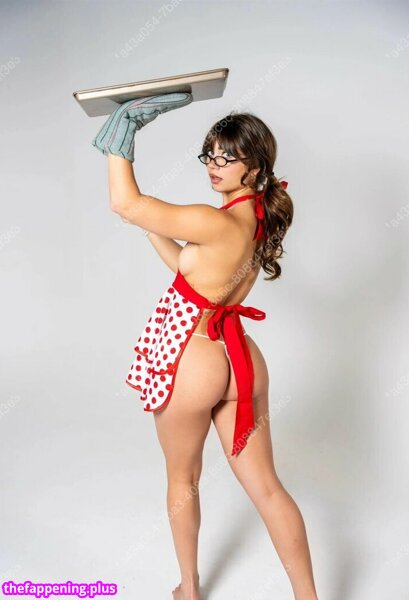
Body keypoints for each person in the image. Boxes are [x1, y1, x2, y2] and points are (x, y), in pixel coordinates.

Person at [92, 94, 319, 600]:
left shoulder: (214, 222)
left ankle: (190, 591)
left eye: (227, 157)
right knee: (268, 488)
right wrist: (149, 227)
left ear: (254, 166)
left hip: (194, 357)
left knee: (182, 480)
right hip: (240, 359)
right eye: (210, 154)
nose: (214, 166)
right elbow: (192, 271)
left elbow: (123, 201)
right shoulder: (255, 218)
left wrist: (121, 140)